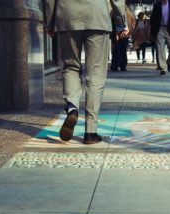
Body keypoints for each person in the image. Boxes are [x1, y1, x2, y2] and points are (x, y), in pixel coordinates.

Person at [44, 0, 128, 143]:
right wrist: (121, 22)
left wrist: (50, 22)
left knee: (70, 67)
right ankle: (90, 131)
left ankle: (72, 108)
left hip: (67, 16)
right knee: (95, 74)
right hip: (97, 16)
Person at [150, 0, 170, 75]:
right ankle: (163, 68)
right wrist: (152, 32)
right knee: (160, 49)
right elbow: (152, 19)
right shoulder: (157, 5)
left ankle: (169, 62)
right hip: (160, 29)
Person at [110, 6, 136, 71]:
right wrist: (129, 31)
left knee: (116, 50)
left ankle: (115, 65)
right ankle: (122, 65)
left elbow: (111, 22)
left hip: (118, 33)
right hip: (124, 34)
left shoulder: (114, 11)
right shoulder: (129, 12)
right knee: (122, 50)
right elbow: (133, 23)